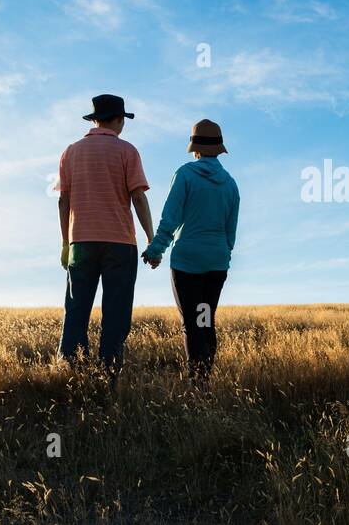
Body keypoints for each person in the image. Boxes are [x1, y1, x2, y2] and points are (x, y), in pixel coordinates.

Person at [56, 94, 154, 374]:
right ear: (120, 120)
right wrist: (150, 237)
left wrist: (66, 243)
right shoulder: (127, 151)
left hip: (81, 242)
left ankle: (72, 372)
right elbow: (138, 197)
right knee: (116, 312)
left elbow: (63, 201)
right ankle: (109, 373)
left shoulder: (70, 152)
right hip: (120, 243)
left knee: (76, 309)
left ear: (94, 119)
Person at [141, 119, 239, 377]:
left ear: (194, 148)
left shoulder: (185, 174)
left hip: (188, 264)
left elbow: (170, 219)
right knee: (205, 320)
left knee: (192, 325)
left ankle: (198, 385)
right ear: (219, 149)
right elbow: (231, 233)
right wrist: (222, 253)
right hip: (216, 265)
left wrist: (155, 250)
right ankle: (205, 378)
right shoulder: (230, 184)